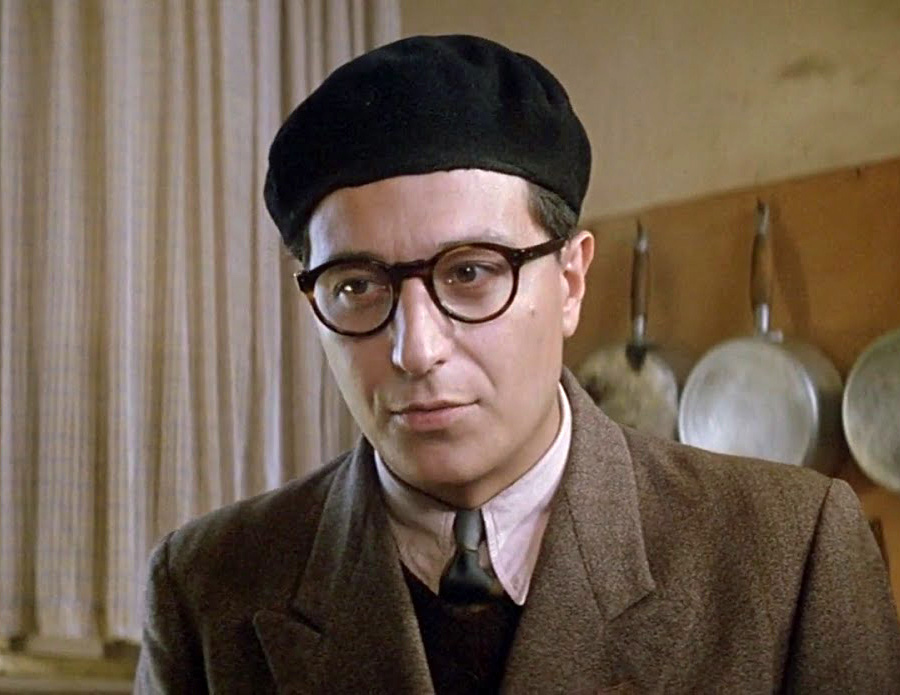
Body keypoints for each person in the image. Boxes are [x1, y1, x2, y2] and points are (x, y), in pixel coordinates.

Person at [135, 34, 900, 694]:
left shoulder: (789, 551)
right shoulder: (207, 585)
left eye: (471, 272)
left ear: (570, 281)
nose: (415, 349)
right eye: (358, 286)